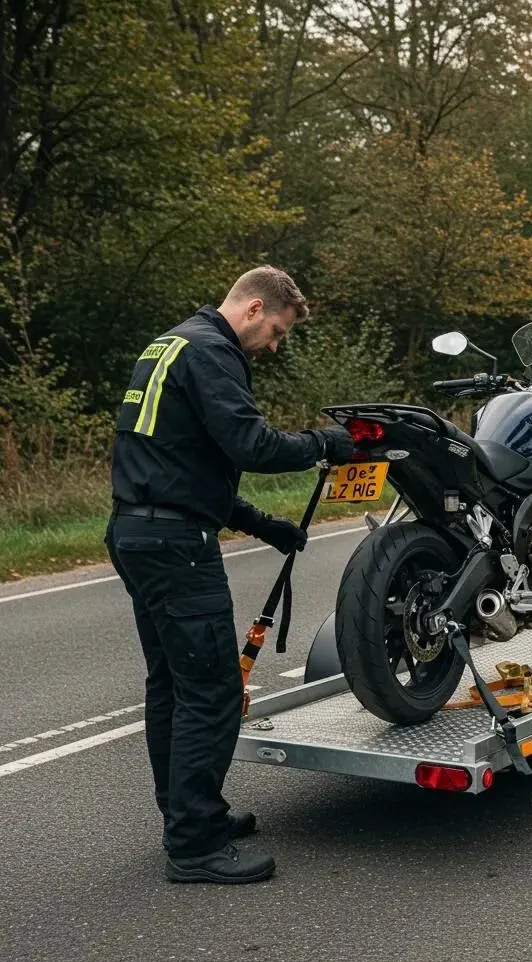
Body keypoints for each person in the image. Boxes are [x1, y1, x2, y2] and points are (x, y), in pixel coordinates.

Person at [105, 266, 353, 884]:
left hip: (137, 530)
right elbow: (251, 445)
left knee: (171, 682)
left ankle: (189, 814)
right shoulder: (214, 351)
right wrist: (326, 443)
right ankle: (193, 845)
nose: (273, 346)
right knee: (212, 690)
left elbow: (185, 464)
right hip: (175, 545)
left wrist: (265, 526)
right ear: (252, 309)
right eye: (275, 331)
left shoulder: (172, 344)